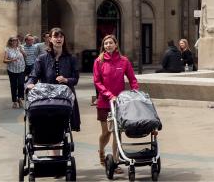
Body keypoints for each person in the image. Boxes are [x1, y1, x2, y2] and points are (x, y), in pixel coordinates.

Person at [93, 34, 139, 167]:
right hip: (104, 102)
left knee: (117, 133)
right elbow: (97, 81)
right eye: (106, 43)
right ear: (103, 46)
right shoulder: (99, 61)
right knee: (106, 132)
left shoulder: (124, 61)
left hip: (120, 102)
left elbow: (132, 79)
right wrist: (108, 94)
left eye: (110, 43)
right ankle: (101, 151)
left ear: (116, 44)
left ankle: (115, 161)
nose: (108, 45)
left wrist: (135, 91)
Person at [31, 28, 82, 137]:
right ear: (50, 39)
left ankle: (60, 151)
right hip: (48, 99)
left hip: (66, 99)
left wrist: (66, 80)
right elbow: (34, 76)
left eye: (61, 37)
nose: (59, 39)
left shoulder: (71, 58)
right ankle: (56, 151)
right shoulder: (42, 58)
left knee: (63, 129)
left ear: (64, 39)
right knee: (53, 128)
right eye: (56, 36)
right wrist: (30, 84)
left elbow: (75, 79)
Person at [4, 36, 28, 108]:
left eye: (16, 40)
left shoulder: (20, 47)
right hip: (12, 70)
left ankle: (20, 99)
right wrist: (12, 60)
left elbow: (26, 56)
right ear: (10, 42)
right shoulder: (7, 49)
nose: (15, 42)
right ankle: (14, 101)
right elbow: (4, 60)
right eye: (13, 40)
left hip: (21, 69)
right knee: (13, 85)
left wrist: (22, 50)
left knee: (21, 84)